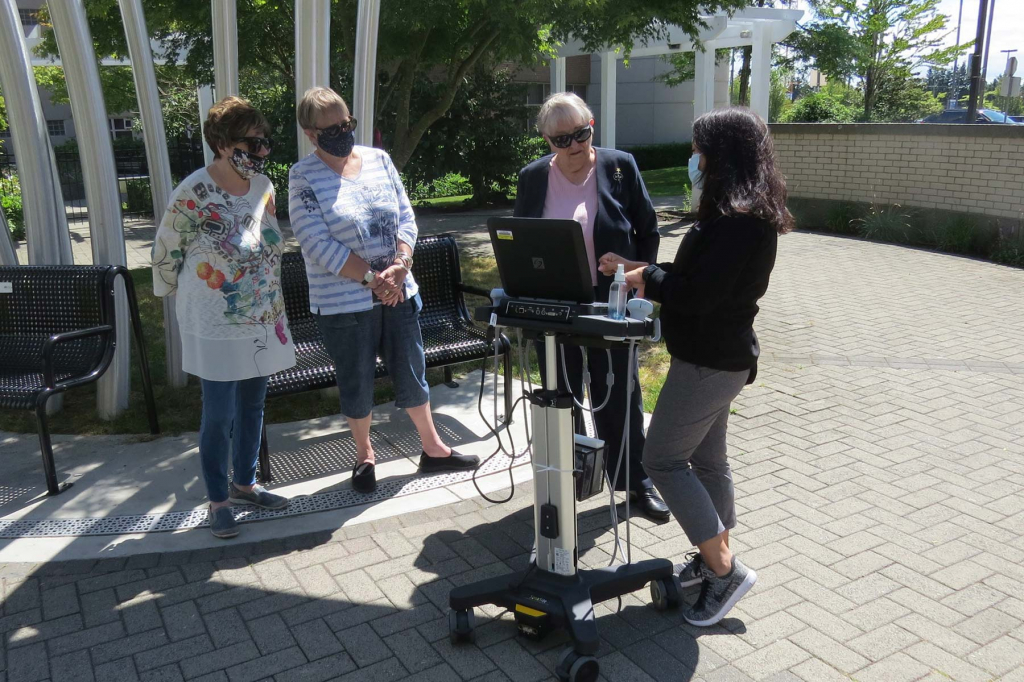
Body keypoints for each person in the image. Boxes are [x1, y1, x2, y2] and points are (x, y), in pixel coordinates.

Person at [603, 107, 793, 626]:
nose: (694, 158)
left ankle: (724, 569)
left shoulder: (738, 223)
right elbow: (701, 286)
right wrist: (648, 272)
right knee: (709, 464)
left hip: (710, 362)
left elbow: (698, 297)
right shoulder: (739, 214)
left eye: (698, 148)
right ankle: (715, 561)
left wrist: (646, 276)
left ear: (721, 155)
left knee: (662, 460)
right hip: (716, 358)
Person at [288, 86, 478, 494]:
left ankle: (433, 449)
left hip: (399, 289)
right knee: (356, 380)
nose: (342, 132)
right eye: (331, 128)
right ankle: (364, 455)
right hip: (344, 303)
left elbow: (406, 215)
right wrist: (374, 281)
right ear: (310, 133)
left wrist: (400, 265)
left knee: (412, 369)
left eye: (347, 123)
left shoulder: (380, 160)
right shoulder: (302, 176)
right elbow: (317, 243)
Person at [514, 92, 669, 521]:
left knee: (618, 389)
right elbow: (520, 238)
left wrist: (640, 276)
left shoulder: (620, 166)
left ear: (592, 127)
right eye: (561, 140)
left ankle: (634, 481)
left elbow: (648, 229)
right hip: (555, 302)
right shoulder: (532, 178)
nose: (574, 147)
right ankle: (569, 479)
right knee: (560, 392)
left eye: (580, 135)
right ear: (546, 140)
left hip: (610, 300)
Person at [152, 96, 294, 539]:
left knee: (253, 404)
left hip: (261, 314)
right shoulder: (193, 191)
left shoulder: (263, 186)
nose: (262, 150)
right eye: (253, 142)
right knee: (218, 415)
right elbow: (164, 256)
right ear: (221, 143)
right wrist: (192, 301)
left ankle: (244, 483)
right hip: (213, 322)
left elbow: (270, 241)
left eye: (264, 141)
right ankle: (217, 500)